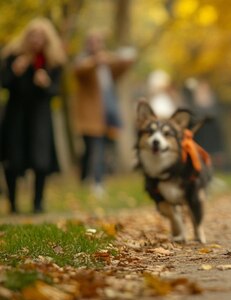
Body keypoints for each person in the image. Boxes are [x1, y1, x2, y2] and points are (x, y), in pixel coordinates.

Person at [0, 18, 66, 214]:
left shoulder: (53, 62)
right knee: (13, 159)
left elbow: (56, 91)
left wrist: (46, 84)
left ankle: (38, 203)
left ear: (47, 40)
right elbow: (4, 83)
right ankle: (13, 204)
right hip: (16, 115)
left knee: (40, 160)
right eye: (33, 36)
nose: (36, 41)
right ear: (27, 37)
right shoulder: (13, 56)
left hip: (40, 117)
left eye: (41, 37)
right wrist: (14, 71)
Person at [73, 30, 134, 196]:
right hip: (90, 115)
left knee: (101, 148)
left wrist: (124, 56)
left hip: (109, 113)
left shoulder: (107, 64)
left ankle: (91, 179)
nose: (95, 45)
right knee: (93, 148)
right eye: (92, 41)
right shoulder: (83, 60)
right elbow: (80, 70)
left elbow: (123, 65)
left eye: (98, 41)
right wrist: (96, 61)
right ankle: (96, 182)